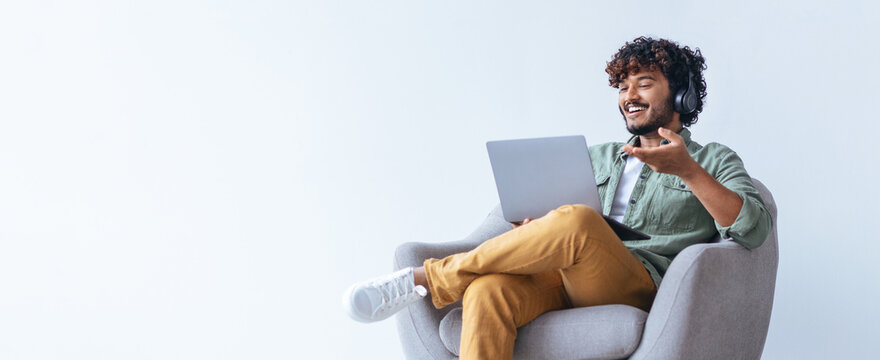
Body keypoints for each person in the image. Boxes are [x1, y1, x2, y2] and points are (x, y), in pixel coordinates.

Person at [342, 36, 773, 360]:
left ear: (682, 95)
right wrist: (535, 230)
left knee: (580, 221)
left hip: (634, 284)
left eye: (644, 84)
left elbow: (752, 227)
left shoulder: (711, 159)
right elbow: (562, 225)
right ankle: (448, 280)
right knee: (487, 292)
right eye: (623, 87)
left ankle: (424, 280)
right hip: (563, 275)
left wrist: (688, 171)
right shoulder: (597, 156)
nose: (629, 96)